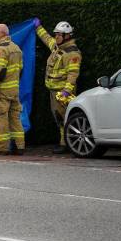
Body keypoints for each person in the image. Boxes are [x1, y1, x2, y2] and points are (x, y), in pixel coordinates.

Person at [35, 18, 81, 154]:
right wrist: (38, 28)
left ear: (67, 36)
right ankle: (65, 142)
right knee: (58, 117)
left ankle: (66, 143)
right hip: (53, 90)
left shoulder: (72, 53)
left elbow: (73, 74)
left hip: (62, 91)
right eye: (56, 34)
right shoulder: (57, 47)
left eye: (60, 35)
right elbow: (46, 39)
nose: (56, 37)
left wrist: (67, 91)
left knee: (64, 117)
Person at [0, 23, 24, 155]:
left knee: (0, 119)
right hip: (14, 91)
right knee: (15, 119)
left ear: (3, 33)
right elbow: (20, 70)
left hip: (1, 92)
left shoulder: (0, 50)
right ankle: (19, 146)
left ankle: (2, 148)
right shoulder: (17, 48)